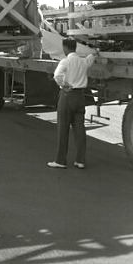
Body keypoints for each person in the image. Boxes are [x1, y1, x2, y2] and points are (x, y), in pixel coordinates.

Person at [47, 37, 98, 169]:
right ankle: (80, 160)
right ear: (75, 47)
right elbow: (91, 58)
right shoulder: (83, 61)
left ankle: (60, 160)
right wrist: (95, 52)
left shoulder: (65, 61)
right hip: (80, 96)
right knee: (80, 129)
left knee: (63, 129)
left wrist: (64, 85)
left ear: (65, 48)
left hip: (68, 96)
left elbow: (57, 75)